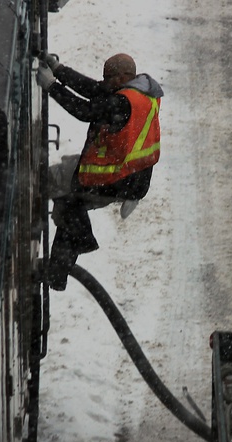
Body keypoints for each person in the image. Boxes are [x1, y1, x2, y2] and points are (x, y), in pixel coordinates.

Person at [35, 52, 164, 290]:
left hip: (119, 178)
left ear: (123, 76)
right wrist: (59, 69)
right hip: (131, 177)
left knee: (70, 202)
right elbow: (94, 90)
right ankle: (64, 261)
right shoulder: (139, 94)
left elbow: (85, 110)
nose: (104, 82)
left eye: (108, 78)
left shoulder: (122, 102)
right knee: (71, 199)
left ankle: (64, 263)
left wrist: (51, 87)